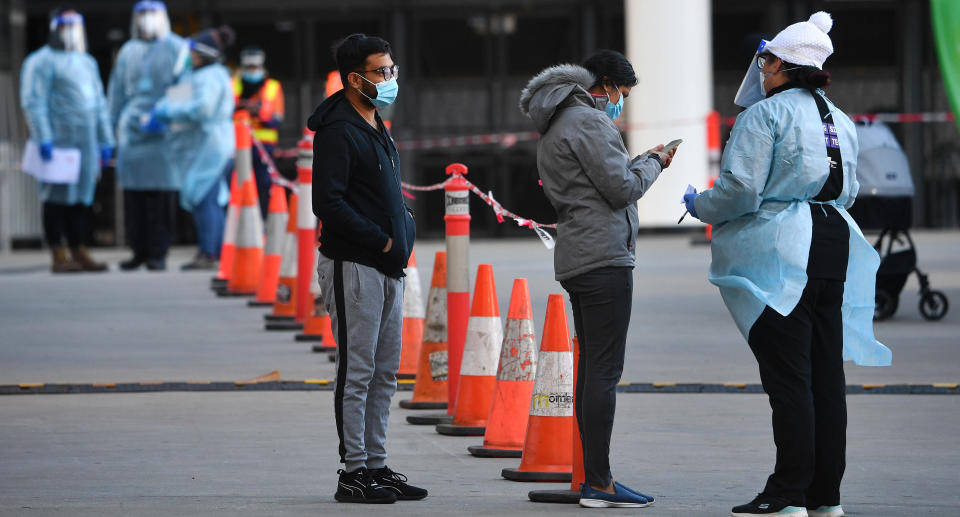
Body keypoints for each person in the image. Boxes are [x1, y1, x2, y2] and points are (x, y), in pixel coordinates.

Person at [682, 12, 891, 517]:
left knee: (789, 378)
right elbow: (852, 190)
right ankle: (825, 497)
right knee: (825, 377)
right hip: (833, 242)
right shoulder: (839, 117)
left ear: (779, 62)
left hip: (783, 250)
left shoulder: (764, 115)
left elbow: (741, 191)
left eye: (766, 59)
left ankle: (788, 493)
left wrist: (699, 203)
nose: (761, 68)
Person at [518, 50, 675, 509]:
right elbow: (622, 189)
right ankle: (600, 484)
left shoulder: (555, 122)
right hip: (604, 256)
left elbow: (598, 182)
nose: (619, 103)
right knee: (603, 373)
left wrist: (636, 162)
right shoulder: (588, 121)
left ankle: (594, 479)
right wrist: (657, 162)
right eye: (621, 94)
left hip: (577, 255)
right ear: (604, 84)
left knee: (592, 371)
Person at [306, 33, 423, 505]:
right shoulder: (337, 130)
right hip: (355, 265)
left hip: (389, 267)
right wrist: (382, 238)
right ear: (356, 79)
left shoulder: (375, 121)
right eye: (381, 72)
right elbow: (326, 202)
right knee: (357, 372)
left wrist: (404, 230)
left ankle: (376, 464)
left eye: (392, 69)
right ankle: (352, 471)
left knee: (384, 373)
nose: (391, 79)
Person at [20, 8, 114, 273]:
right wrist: (43, 137)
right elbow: (34, 101)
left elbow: (99, 103)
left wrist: (105, 139)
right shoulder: (40, 61)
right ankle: (58, 251)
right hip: (59, 142)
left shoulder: (87, 62)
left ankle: (79, 249)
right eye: (65, 27)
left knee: (82, 199)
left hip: (86, 143)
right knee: (56, 200)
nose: (71, 33)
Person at [146, 27, 235, 270]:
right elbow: (172, 98)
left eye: (192, 52)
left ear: (201, 54)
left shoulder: (211, 76)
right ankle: (210, 251)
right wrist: (157, 111)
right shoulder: (193, 76)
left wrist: (165, 113)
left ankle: (210, 253)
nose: (187, 56)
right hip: (202, 148)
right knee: (205, 198)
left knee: (205, 198)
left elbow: (202, 109)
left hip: (212, 146)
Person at [108, 0, 185, 271]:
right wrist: (111, 130)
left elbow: (185, 87)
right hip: (132, 131)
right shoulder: (128, 50)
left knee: (161, 197)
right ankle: (138, 251)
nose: (146, 19)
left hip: (163, 132)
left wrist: (166, 115)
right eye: (142, 14)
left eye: (152, 14)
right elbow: (116, 93)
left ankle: (158, 252)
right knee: (134, 196)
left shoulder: (177, 48)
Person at [234, 46, 284, 219]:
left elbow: (277, 120)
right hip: (238, 147)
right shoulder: (234, 85)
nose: (252, 71)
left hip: (264, 147)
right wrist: (240, 107)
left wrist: (258, 113)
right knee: (239, 186)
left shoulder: (273, 87)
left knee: (263, 185)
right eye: (249, 68)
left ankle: (262, 222)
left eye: (255, 67)